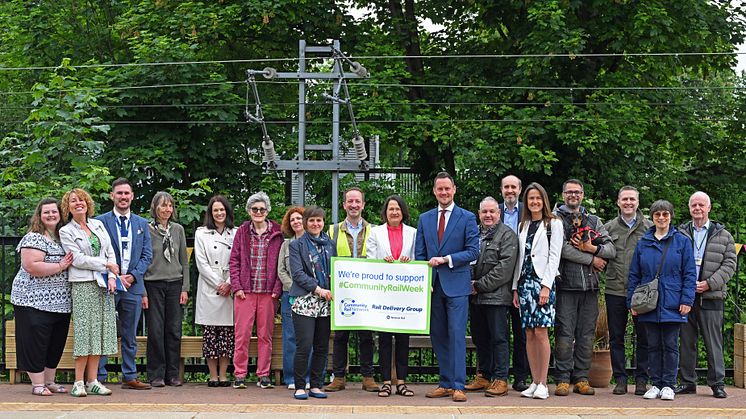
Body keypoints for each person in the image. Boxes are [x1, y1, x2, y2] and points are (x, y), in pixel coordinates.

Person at [415, 171, 479, 402]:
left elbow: (473, 251)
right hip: (433, 286)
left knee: (456, 335)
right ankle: (445, 383)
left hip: (457, 286)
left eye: (447, 188)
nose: (443, 192)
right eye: (439, 189)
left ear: (454, 190)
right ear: (434, 191)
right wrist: (425, 280)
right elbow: (420, 254)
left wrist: (446, 259)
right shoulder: (425, 218)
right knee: (438, 335)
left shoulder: (467, 217)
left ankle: (459, 385)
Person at [628, 200, 696, 401]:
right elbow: (634, 274)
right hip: (649, 302)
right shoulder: (643, 242)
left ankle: (668, 384)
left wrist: (687, 300)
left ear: (671, 216)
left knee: (670, 344)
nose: (661, 218)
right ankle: (655, 383)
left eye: (665, 214)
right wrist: (632, 302)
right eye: (657, 214)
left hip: (674, 301)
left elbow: (689, 273)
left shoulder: (682, 242)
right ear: (652, 217)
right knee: (653, 345)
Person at [553, 179, 615, 396]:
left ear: (582, 195)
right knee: (563, 334)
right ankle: (562, 378)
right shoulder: (555, 219)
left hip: (590, 287)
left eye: (577, 192)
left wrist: (593, 249)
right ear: (563, 195)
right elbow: (561, 250)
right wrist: (591, 260)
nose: (573, 195)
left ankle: (581, 378)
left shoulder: (594, 221)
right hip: (565, 286)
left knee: (586, 335)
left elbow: (611, 250)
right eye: (569, 192)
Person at [676, 192, 736, 398]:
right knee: (686, 342)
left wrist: (709, 284)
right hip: (686, 297)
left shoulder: (724, 235)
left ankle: (717, 383)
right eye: (694, 205)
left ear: (709, 208)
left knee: (713, 342)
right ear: (689, 208)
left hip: (712, 296)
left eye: (701, 204)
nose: (697, 208)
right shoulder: (680, 233)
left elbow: (730, 265)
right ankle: (687, 382)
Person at [59, 188, 119, 397]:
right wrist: (106, 265)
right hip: (83, 284)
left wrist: (111, 276)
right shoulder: (66, 231)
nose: (79, 203)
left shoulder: (98, 225)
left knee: (99, 332)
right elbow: (77, 259)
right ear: (68, 207)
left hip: (103, 285)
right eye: (73, 201)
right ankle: (78, 382)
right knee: (85, 331)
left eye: (82, 200)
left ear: (88, 203)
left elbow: (110, 251)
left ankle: (93, 381)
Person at [11, 198, 74, 396]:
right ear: (39, 215)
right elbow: (32, 266)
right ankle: (38, 384)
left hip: (61, 303)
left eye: (54, 212)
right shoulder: (34, 237)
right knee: (35, 343)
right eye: (46, 212)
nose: (51, 215)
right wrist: (60, 266)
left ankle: (49, 381)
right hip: (33, 301)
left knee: (55, 344)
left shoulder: (62, 236)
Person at [96, 178, 153, 390]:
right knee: (105, 331)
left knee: (130, 334)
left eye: (126, 193)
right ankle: (98, 376)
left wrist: (133, 276)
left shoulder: (141, 223)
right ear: (112, 196)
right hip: (109, 284)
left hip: (133, 286)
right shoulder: (100, 222)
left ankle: (129, 375)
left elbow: (147, 255)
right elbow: (99, 252)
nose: (123, 197)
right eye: (119, 193)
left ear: (132, 196)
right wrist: (114, 275)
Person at [511, 183, 563, 400]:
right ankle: (533, 381)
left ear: (544, 200)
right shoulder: (523, 225)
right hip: (524, 284)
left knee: (541, 332)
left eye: (538, 198)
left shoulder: (553, 224)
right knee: (528, 334)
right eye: (531, 199)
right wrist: (515, 287)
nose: (534, 202)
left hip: (542, 283)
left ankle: (543, 382)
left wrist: (546, 286)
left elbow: (554, 257)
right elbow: (519, 259)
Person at [324, 187, 379, 393]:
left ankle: (368, 377)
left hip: (367, 291)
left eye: (357, 201)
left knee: (366, 336)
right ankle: (338, 377)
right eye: (350, 201)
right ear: (344, 205)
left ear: (363, 204)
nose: (354, 205)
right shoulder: (332, 230)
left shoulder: (374, 230)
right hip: (341, 292)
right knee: (340, 336)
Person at [229, 191, 284, 389]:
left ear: (267, 210)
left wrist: (277, 289)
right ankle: (240, 374)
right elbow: (234, 260)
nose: (258, 212)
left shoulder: (278, 232)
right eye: (254, 209)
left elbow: (281, 264)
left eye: (262, 208)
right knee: (242, 334)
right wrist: (236, 287)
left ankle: (263, 375)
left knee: (265, 335)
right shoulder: (242, 232)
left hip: (268, 293)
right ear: (249, 211)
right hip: (246, 292)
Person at [465, 197, 518, 397]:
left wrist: (478, 286)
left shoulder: (507, 235)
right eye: (484, 212)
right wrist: (468, 284)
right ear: (479, 214)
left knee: (499, 338)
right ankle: (483, 376)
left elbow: (504, 269)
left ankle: (501, 379)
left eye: (492, 212)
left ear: (499, 213)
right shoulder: (474, 233)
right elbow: (468, 259)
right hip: (475, 297)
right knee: (480, 338)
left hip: (496, 297)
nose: (488, 215)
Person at [366, 195, 417, 398]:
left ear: (403, 211)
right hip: (383, 294)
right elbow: (370, 260)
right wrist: (381, 261)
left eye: (397, 209)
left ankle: (402, 382)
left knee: (403, 339)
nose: (394, 212)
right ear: (385, 212)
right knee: (385, 339)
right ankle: (386, 382)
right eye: (390, 209)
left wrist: (409, 261)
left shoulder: (413, 233)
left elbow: (418, 259)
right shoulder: (375, 232)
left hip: (404, 295)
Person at [604, 186, 653, 395]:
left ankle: (642, 379)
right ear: (618, 202)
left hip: (643, 292)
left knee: (644, 337)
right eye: (625, 199)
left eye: (632, 199)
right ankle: (621, 379)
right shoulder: (608, 228)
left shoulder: (649, 228)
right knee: (616, 337)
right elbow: (601, 256)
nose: (628, 203)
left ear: (638, 203)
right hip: (615, 289)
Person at [288, 206, 336, 400]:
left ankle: (316, 385)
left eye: (319, 220)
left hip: (325, 302)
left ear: (324, 222)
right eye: (312, 220)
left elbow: (336, 268)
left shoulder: (330, 244)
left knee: (322, 346)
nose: (316, 224)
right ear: (306, 223)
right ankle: (300, 386)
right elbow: (298, 274)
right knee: (304, 345)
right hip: (305, 301)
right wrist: (318, 289)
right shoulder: (296, 245)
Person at [144, 191, 189, 387]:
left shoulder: (177, 229)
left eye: (170, 206)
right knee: (155, 330)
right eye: (163, 205)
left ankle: (173, 374)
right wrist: (142, 292)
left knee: (174, 329)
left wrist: (185, 288)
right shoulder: (146, 229)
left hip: (175, 284)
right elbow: (143, 259)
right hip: (153, 284)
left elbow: (184, 262)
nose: (167, 209)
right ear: (155, 207)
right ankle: (156, 374)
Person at [194, 195, 237, 388]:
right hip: (209, 286)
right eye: (215, 210)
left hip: (230, 286)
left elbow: (238, 260)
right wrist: (218, 283)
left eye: (222, 210)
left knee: (227, 335)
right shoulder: (201, 233)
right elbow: (201, 263)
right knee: (210, 335)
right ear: (210, 213)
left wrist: (229, 283)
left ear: (227, 211)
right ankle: (212, 375)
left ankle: (224, 375)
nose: (219, 213)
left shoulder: (236, 233)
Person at [499, 174, 529, 392]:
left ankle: (520, 377)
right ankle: (496, 376)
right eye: (506, 187)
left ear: (520, 190)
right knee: (498, 333)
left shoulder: (528, 213)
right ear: (501, 190)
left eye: (513, 187)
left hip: (523, 279)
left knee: (521, 334)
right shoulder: (493, 211)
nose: (510, 191)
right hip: (499, 282)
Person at [277, 206, 308, 390]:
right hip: (290, 295)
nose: (296, 222)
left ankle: (308, 377)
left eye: (299, 218)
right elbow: (281, 270)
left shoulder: (314, 242)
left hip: (311, 295)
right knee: (290, 337)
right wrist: (293, 287)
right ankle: (291, 377)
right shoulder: (286, 245)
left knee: (308, 338)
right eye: (292, 220)